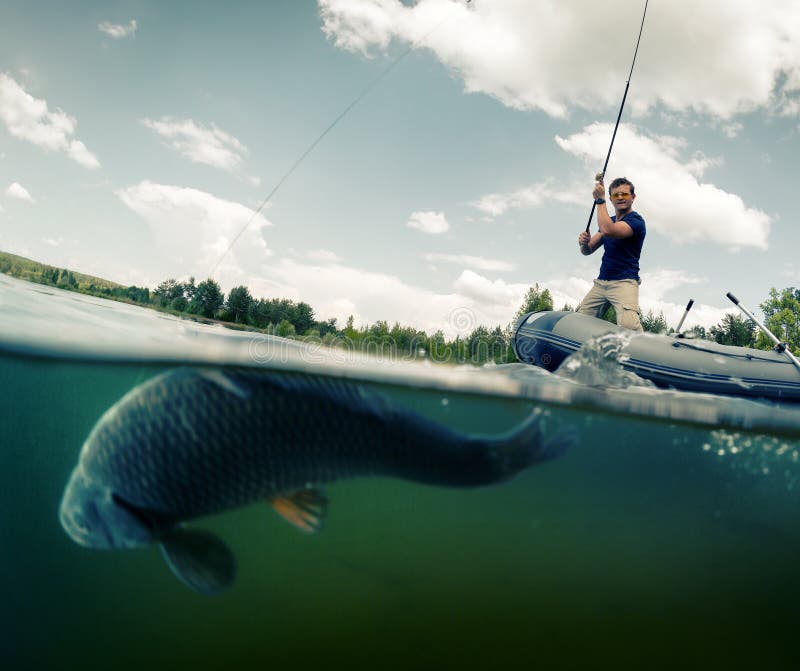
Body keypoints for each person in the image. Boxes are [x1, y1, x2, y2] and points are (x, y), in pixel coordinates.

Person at [576, 176, 646, 331]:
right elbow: (588, 250)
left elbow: (609, 230)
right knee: (578, 322)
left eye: (625, 194)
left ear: (633, 197)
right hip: (601, 283)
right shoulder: (609, 220)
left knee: (629, 326)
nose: (620, 197)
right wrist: (583, 243)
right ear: (611, 198)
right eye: (616, 195)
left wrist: (600, 201)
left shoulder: (636, 221)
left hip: (625, 282)